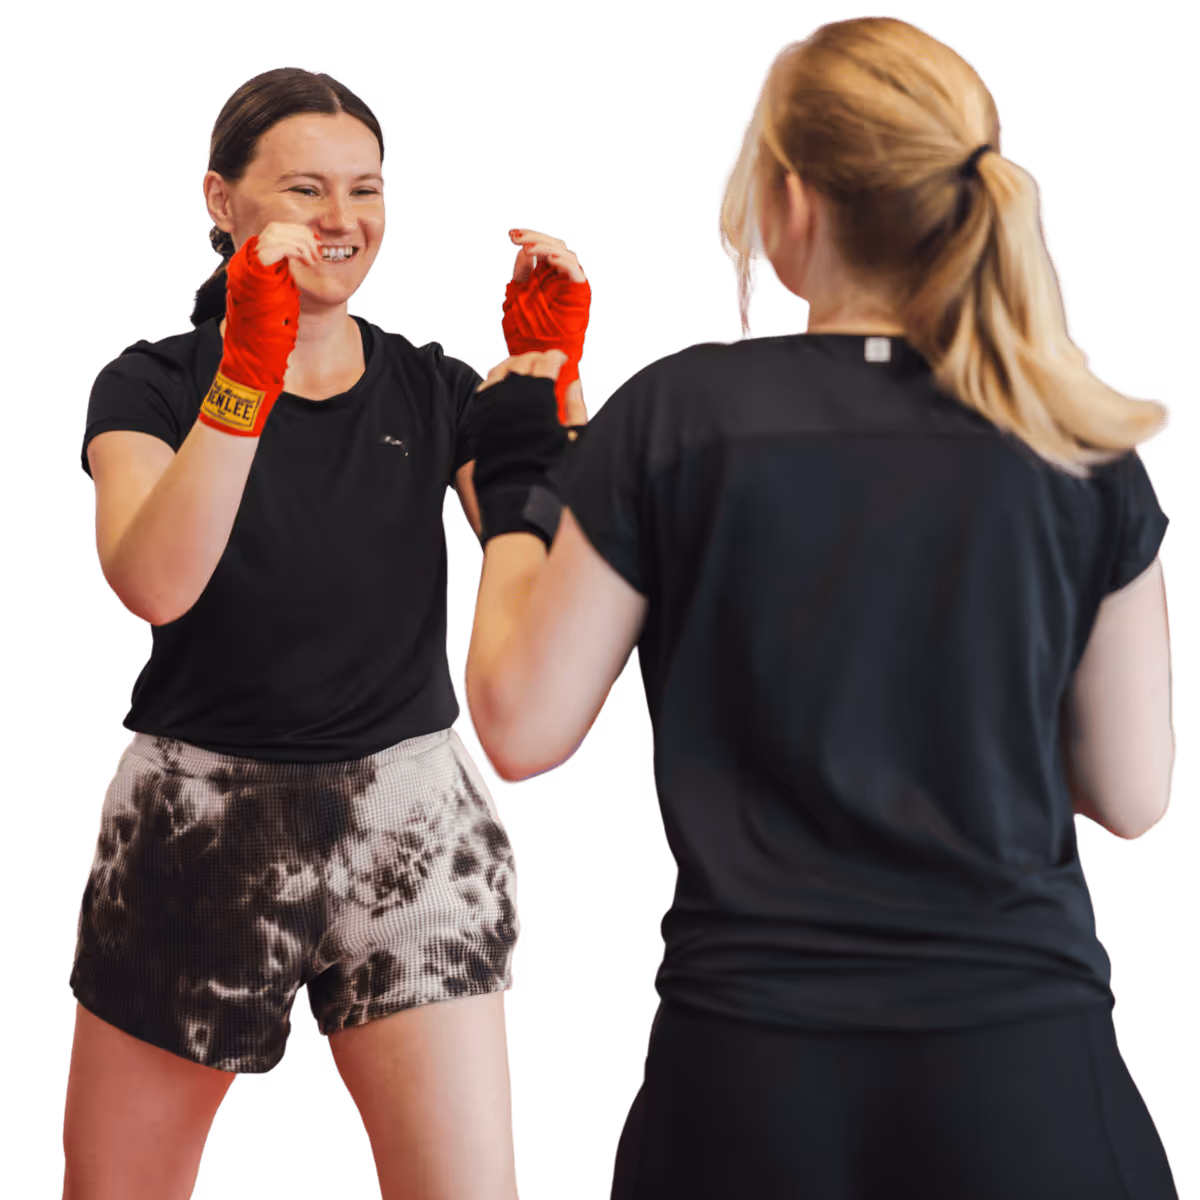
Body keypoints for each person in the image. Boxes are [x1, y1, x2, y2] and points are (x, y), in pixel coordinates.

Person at [462, 15, 1180, 1199]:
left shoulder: (675, 415)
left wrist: (524, 486)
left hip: (748, 1085)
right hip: (1030, 1082)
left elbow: (522, 727)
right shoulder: (1082, 441)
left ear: (792, 200)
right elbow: (1134, 796)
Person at [64, 65, 589, 1200]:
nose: (343, 221)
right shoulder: (147, 385)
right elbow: (157, 581)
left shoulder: (434, 384)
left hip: (416, 821)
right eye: (306, 188)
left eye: (367, 190)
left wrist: (548, 402)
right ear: (223, 201)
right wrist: (248, 376)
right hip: (196, 823)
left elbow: (554, 583)